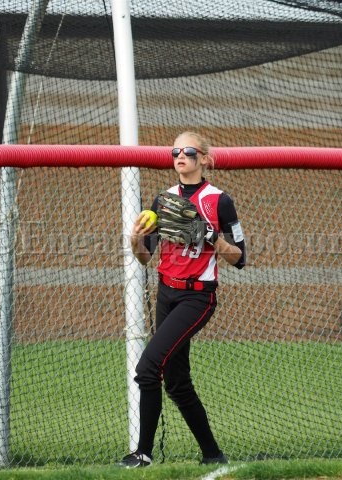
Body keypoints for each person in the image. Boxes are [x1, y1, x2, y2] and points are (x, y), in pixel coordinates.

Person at [120, 131, 246, 468]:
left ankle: (143, 454)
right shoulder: (163, 200)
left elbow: (240, 257)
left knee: (147, 368)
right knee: (176, 382)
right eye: (175, 151)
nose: (180, 156)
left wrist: (211, 235)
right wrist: (135, 240)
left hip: (197, 297)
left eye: (188, 151)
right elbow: (145, 257)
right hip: (167, 292)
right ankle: (213, 455)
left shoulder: (220, 201)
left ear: (204, 158)